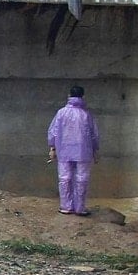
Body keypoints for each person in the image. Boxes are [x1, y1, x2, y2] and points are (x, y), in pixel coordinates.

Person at [47, 84, 100, 216]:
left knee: (64, 178)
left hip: (64, 150)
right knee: (81, 179)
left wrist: (52, 147)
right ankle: (80, 208)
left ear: (69, 96)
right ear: (83, 97)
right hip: (83, 151)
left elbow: (53, 131)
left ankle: (66, 206)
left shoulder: (61, 113)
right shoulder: (86, 114)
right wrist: (95, 150)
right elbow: (94, 134)